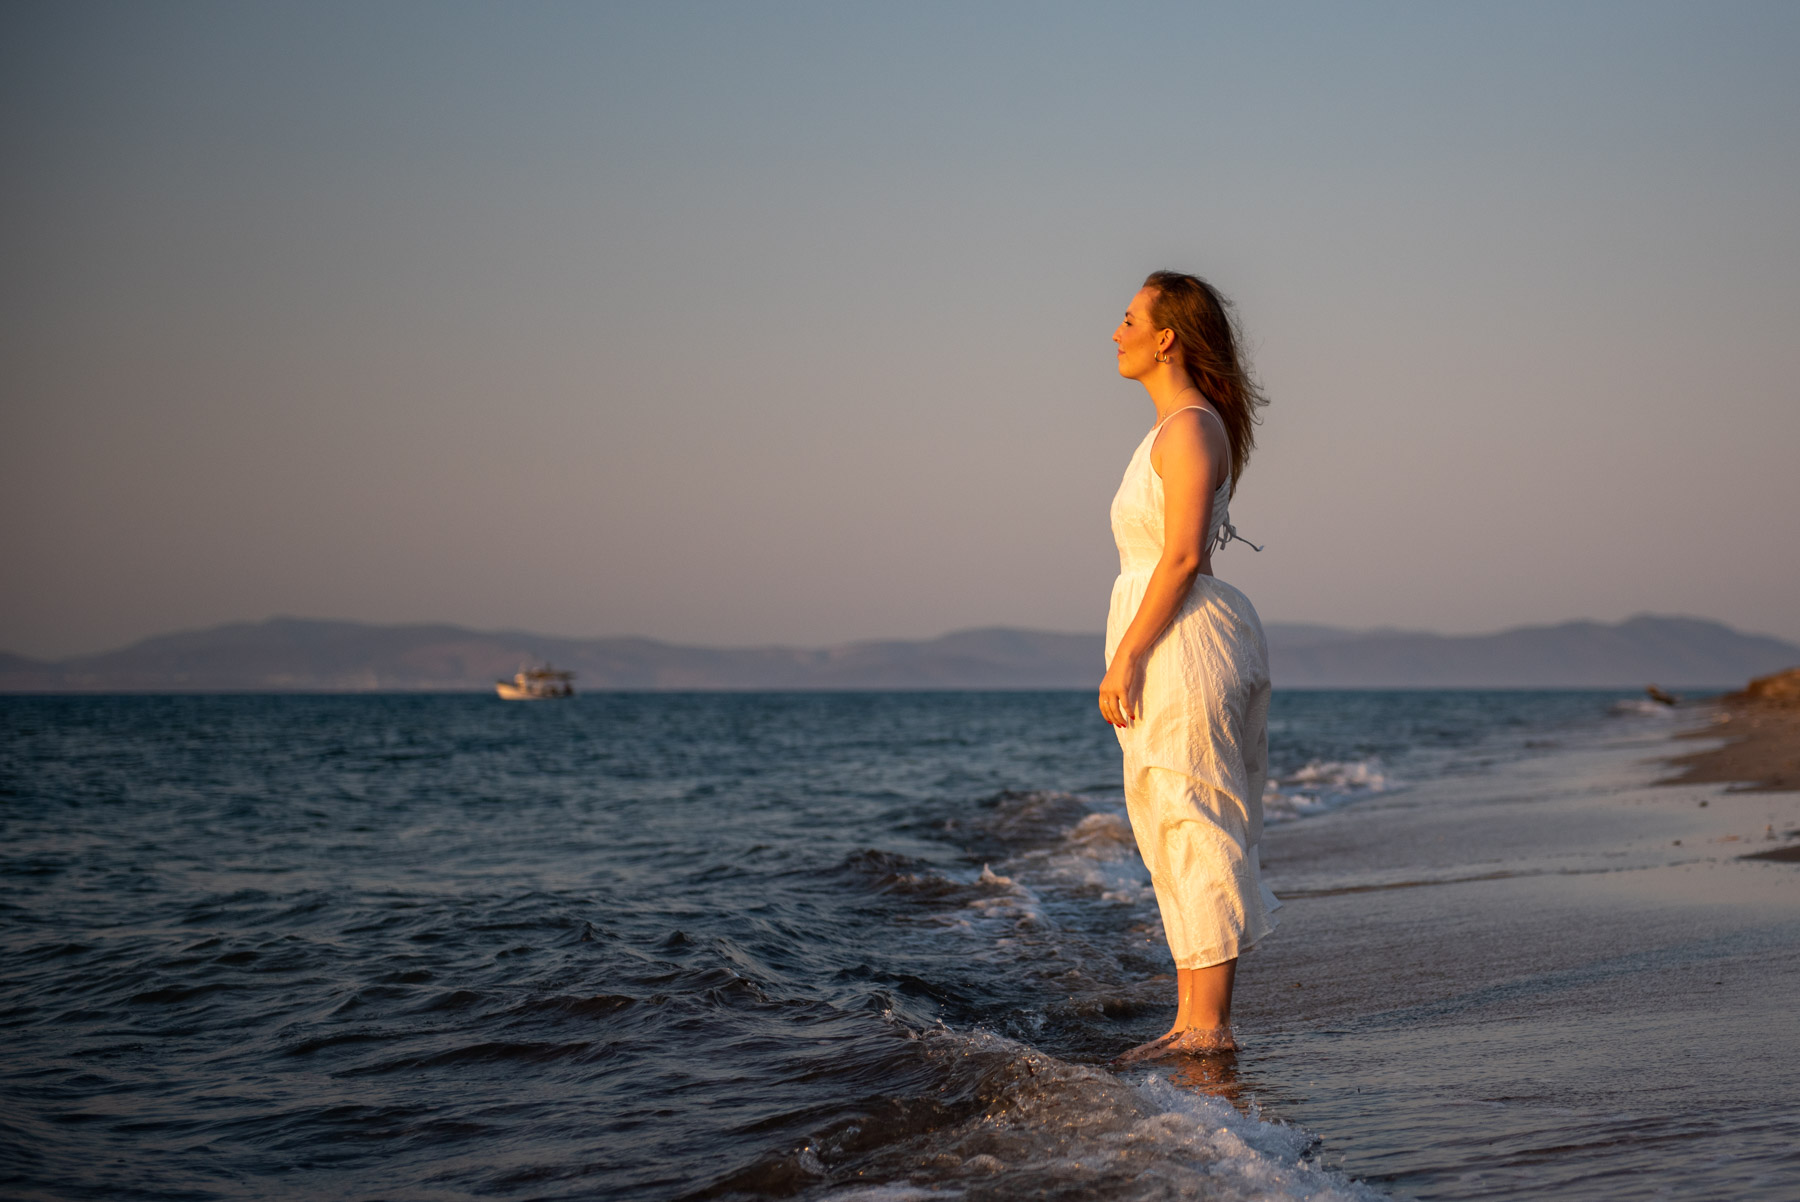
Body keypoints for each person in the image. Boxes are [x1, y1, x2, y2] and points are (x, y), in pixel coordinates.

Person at [1099, 270, 1278, 1060]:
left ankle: (1209, 1026)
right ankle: (1189, 1020)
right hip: (1168, 637)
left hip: (1180, 642)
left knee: (1193, 816)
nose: (1116, 330)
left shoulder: (1190, 429)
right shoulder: (1174, 429)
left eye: (1129, 317)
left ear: (1165, 336)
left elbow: (1181, 556)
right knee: (1168, 817)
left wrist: (1129, 655)